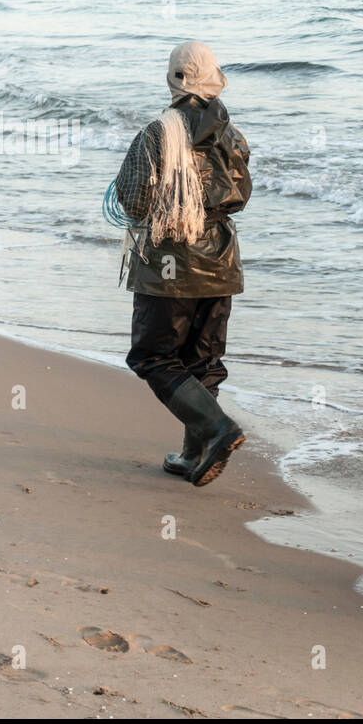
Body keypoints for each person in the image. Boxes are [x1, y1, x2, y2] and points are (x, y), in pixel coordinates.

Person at [115, 41, 252, 487]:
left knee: (153, 356)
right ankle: (195, 454)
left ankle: (217, 430)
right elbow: (241, 196)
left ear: (173, 78)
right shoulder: (232, 134)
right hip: (221, 262)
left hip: (170, 265)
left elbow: (133, 201)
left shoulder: (157, 132)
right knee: (203, 360)